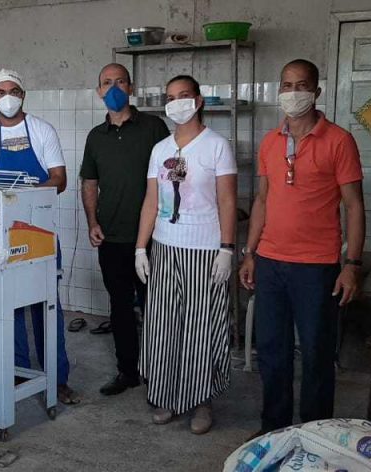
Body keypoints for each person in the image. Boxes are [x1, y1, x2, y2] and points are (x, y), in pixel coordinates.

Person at [238, 59, 366, 435]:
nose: (293, 93)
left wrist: (351, 264)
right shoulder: (269, 142)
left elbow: (354, 205)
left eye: (302, 85)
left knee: (316, 355)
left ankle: (315, 433)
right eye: (287, 85)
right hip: (271, 262)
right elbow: (262, 200)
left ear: (317, 92)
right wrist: (250, 253)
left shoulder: (339, 141)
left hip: (318, 266)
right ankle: (274, 428)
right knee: (273, 354)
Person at [0, 69, 79, 405]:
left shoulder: (42, 131)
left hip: (41, 232)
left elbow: (59, 178)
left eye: (13, 90)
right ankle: (17, 373)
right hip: (2, 234)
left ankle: (57, 380)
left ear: (23, 94)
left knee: (47, 307)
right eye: (0, 91)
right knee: (9, 306)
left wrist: (24, 192)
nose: (7, 97)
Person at [134, 75, 237, 435]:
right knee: (162, 325)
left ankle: (201, 401)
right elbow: (151, 201)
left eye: (184, 96)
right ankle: (164, 395)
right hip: (164, 246)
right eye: (170, 97)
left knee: (199, 327)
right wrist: (140, 247)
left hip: (204, 249)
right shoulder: (160, 149)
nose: (177, 102)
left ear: (199, 100)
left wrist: (227, 248)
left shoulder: (216, 146)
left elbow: (227, 200)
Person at [81, 63, 170, 396]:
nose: (114, 88)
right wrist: (92, 222)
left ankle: (158, 370)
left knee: (156, 306)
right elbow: (89, 182)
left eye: (120, 82)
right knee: (119, 306)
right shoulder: (96, 136)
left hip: (153, 237)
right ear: (99, 91)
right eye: (107, 83)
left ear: (131, 88)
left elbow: (172, 175)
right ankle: (128, 371)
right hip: (112, 237)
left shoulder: (153, 128)